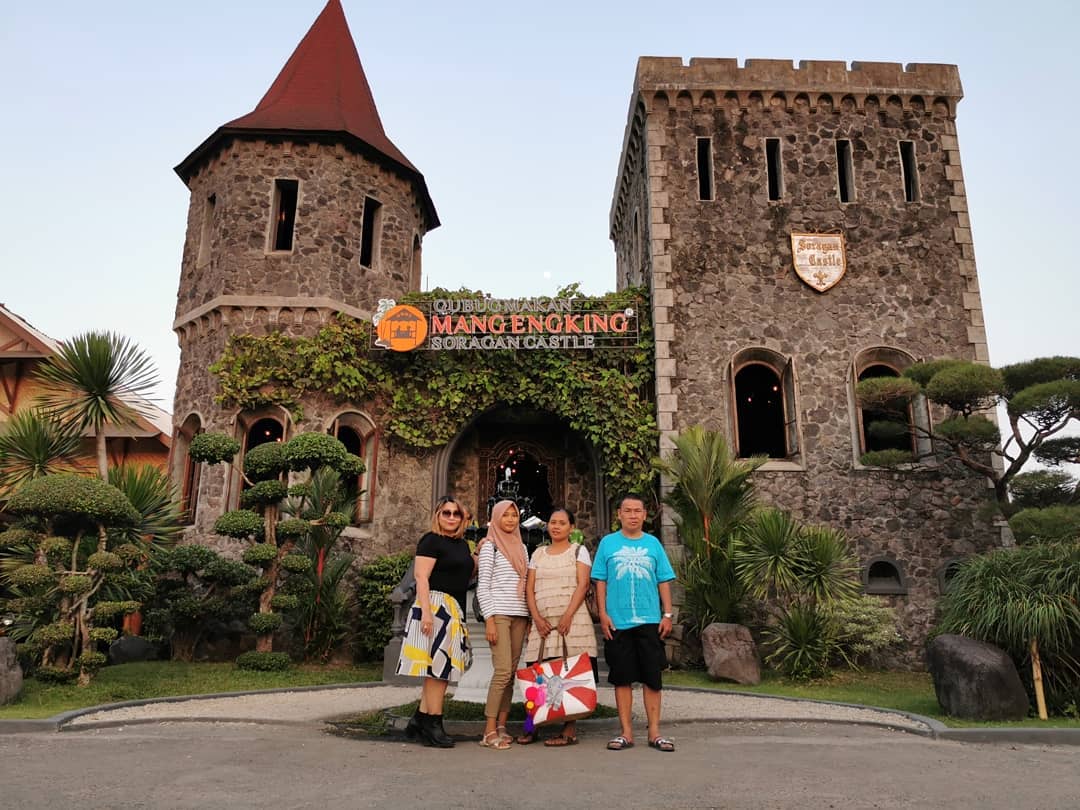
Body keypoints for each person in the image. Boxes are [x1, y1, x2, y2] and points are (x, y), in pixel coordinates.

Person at [591, 493, 677, 752]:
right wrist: (603, 614)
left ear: (644, 515)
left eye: (637, 511)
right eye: (627, 510)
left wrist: (668, 614)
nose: (632, 515)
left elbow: (663, 580)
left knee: (652, 678)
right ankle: (626, 733)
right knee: (622, 678)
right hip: (618, 622)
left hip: (650, 620)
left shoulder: (653, 545)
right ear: (618, 514)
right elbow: (600, 581)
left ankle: (654, 732)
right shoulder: (608, 544)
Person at [396, 496, 474, 748]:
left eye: (456, 514)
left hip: (454, 608)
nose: (451, 517)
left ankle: (420, 720)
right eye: (446, 513)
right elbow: (421, 576)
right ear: (438, 516)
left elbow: (466, 575)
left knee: (439, 668)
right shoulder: (430, 541)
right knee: (439, 670)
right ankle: (434, 723)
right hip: (435, 605)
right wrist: (427, 614)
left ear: (463, 518)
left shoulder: (463, 545)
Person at [519, 507, 597, 747]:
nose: (556, 526)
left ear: (571, 527)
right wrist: (536, 618)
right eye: (552, 522)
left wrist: (567, 616)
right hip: (542, 623)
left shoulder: (578, 551)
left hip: (572, 622)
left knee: (570, 672)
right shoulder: (538, 554)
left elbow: (583, 584)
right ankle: (532, 726)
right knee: (537, 674)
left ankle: (569, 729)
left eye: (562, 523)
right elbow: (530, 589)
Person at [476, 499, 530, 750]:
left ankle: (501, 726)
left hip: (520, 615)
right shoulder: (490, 546)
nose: (510, 519)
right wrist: (489, 620)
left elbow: (527, 583)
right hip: (499, 614)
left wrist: (529, 617)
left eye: (514, 515)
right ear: (496, 518)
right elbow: (483, 586)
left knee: (510, 675)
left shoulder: (522, 547)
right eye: (505, 515)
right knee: (502, 673)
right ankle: (488, 732)